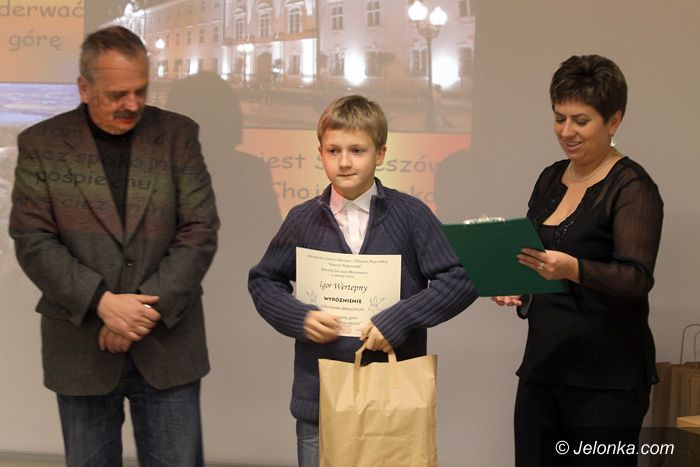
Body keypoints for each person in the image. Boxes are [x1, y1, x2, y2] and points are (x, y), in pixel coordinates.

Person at [9, 26, 219, 466]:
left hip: (167, 346)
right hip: (81, 346)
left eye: (141, 91)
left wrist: (137, 314)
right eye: (117, 94)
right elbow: (33, 239)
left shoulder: (177, 135)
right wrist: (102, 303)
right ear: (84, 88)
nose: (133, 104)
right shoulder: (42, 144)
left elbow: (199, 230)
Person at [248, 95, 477, 466]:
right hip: (319, 399)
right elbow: (264, 280)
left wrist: (399, 319)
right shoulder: (302, 219)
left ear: (380, 153)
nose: (344, 161)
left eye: (357, 150)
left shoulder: (411, 215)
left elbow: (460, 279)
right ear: (320, 153)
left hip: (393, 398)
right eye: (333, 150)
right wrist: (300, 317)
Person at [492, 55, 663, 466]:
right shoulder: (550, 177)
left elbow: (636, 278)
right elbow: (537, 257)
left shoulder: (633, 187)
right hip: (544, 364)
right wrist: (517, 285)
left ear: (614, 121)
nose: (566, 131)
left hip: (607, 379)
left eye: (581, 121)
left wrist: (574, 268)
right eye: (559, 118)